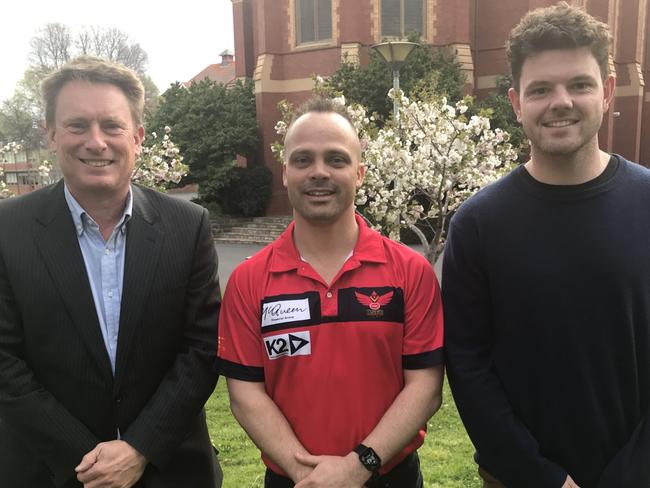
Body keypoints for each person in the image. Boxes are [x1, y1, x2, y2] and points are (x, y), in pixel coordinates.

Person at [442, 3, 650, 488]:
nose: (561, 101)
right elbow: (469, 367)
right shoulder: (477, 224)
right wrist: (541, 477)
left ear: (607, 92)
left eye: (579, 84)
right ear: (516, 103)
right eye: (540, 89)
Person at [0, 56, 223, 488]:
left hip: (169, 470)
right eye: (77, 125)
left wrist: (140, 447)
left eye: (112, 126)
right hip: (47, 471)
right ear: (51, 135)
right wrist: (84, 458)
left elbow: (202, 349)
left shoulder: (188, 226)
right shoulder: (7, 230)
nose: (96, 142)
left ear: (137, 136)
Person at [216, 97, 444, 487]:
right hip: (295, 480)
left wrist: (357, 466)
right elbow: (246, 395)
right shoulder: (248, 280)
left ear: (359, 173)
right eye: (303, 160)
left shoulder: (410, 271)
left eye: (336, 160)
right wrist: (309, 475)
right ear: (285, 173)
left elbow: (425, 387)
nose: (318, 172)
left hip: (390, 476)